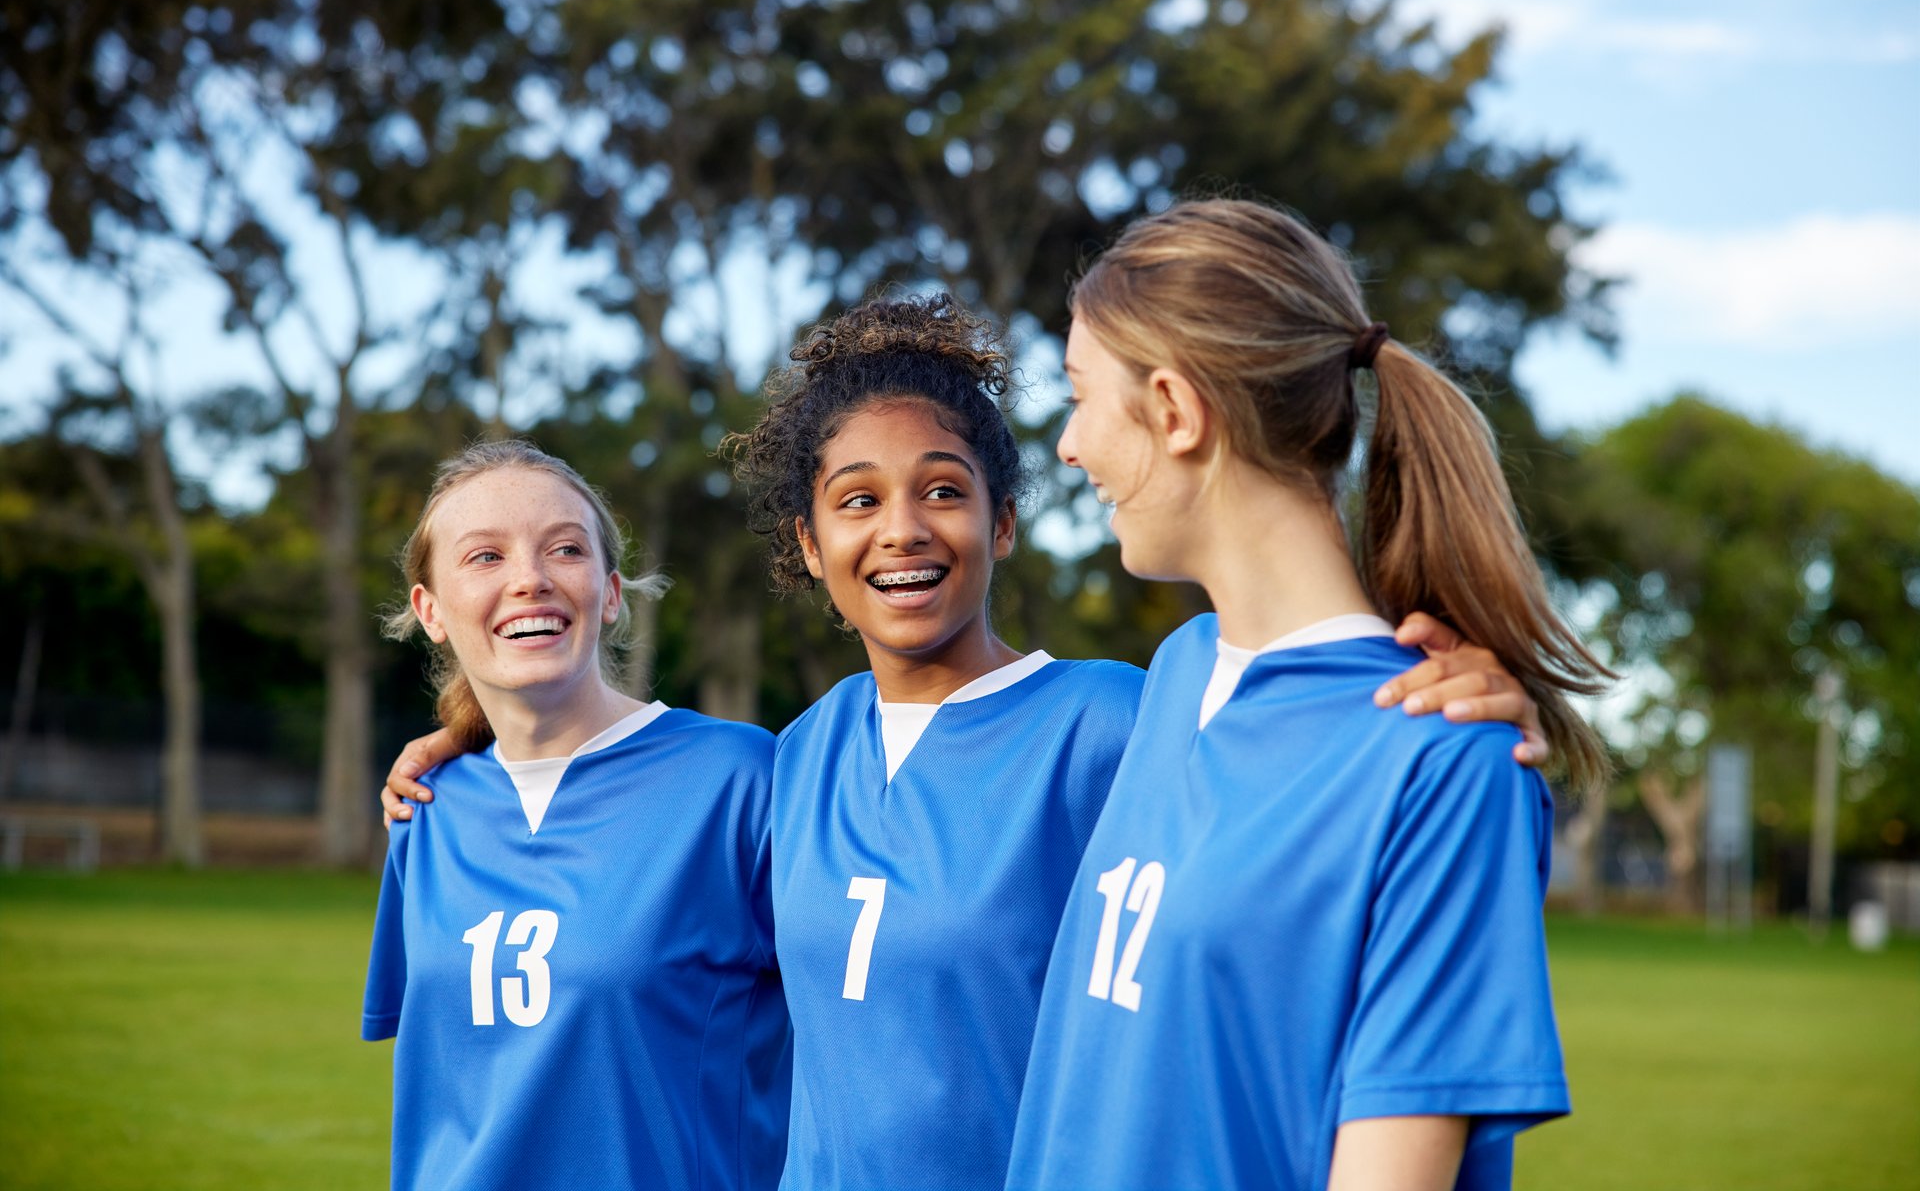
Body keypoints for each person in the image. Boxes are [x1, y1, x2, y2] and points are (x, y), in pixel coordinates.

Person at [379, 298, 1546, 1191]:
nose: (903, 530)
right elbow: (614, 808)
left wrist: (1476, 694)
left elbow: (1314, 771)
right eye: (857, 499)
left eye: (942, 489)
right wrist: (467, 730)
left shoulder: (1119, 721)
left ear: (1002, 518)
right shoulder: (802, 754)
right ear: (809, 540)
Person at [1005, 199, 1611, 1191]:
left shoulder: (1448, 761)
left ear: (1175, 409)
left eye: (1080, 394)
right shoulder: (1178, 676)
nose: (1068, 445)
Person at [361, 440, 790, 1191]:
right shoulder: (427, 804)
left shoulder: (740, 778)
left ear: (611, 590)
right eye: (484, 557)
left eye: (563, 548)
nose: (529, 580)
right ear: (430, 610)